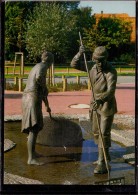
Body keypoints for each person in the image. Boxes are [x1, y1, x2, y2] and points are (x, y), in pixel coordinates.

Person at [71, 46, 117, 174]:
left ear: (106, 59)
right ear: (93, 58)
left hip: (106, 105)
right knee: (96, 132)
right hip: (94, 105)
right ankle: (105, 156)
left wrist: (100, 100)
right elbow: (73, 64)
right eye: (97, 60)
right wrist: (80, 53)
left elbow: (111, 91)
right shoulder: (90, 65)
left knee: (103, 133)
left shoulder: (111, 71)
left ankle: (102, 163)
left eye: (102, 60)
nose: (100, 63)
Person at [21, 51, 54, 165]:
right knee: (34, 128)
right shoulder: (43, 66)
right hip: (32, 99)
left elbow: (42, 91)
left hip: (30, 98)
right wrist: (45, 87)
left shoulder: (37, 65)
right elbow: (39, 78)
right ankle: (31, 159)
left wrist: (47, 105)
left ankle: (33, 153)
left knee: (36, 126)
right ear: (50, 61)